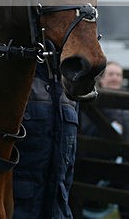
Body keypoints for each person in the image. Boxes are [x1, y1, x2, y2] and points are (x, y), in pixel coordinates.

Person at [13, 61, 79, 219]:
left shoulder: (69, 84)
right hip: (17, 208)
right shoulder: (16, 76)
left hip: (58, 210)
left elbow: (69, 163)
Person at [78, 61, 129, 219]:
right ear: (102, 79)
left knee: (128, 201)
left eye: (119, 75)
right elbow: (86, 131)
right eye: (111, 74)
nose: (115, 78)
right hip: (95, 162)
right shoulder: (92, 102)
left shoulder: (126, 105)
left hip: (121, 163)